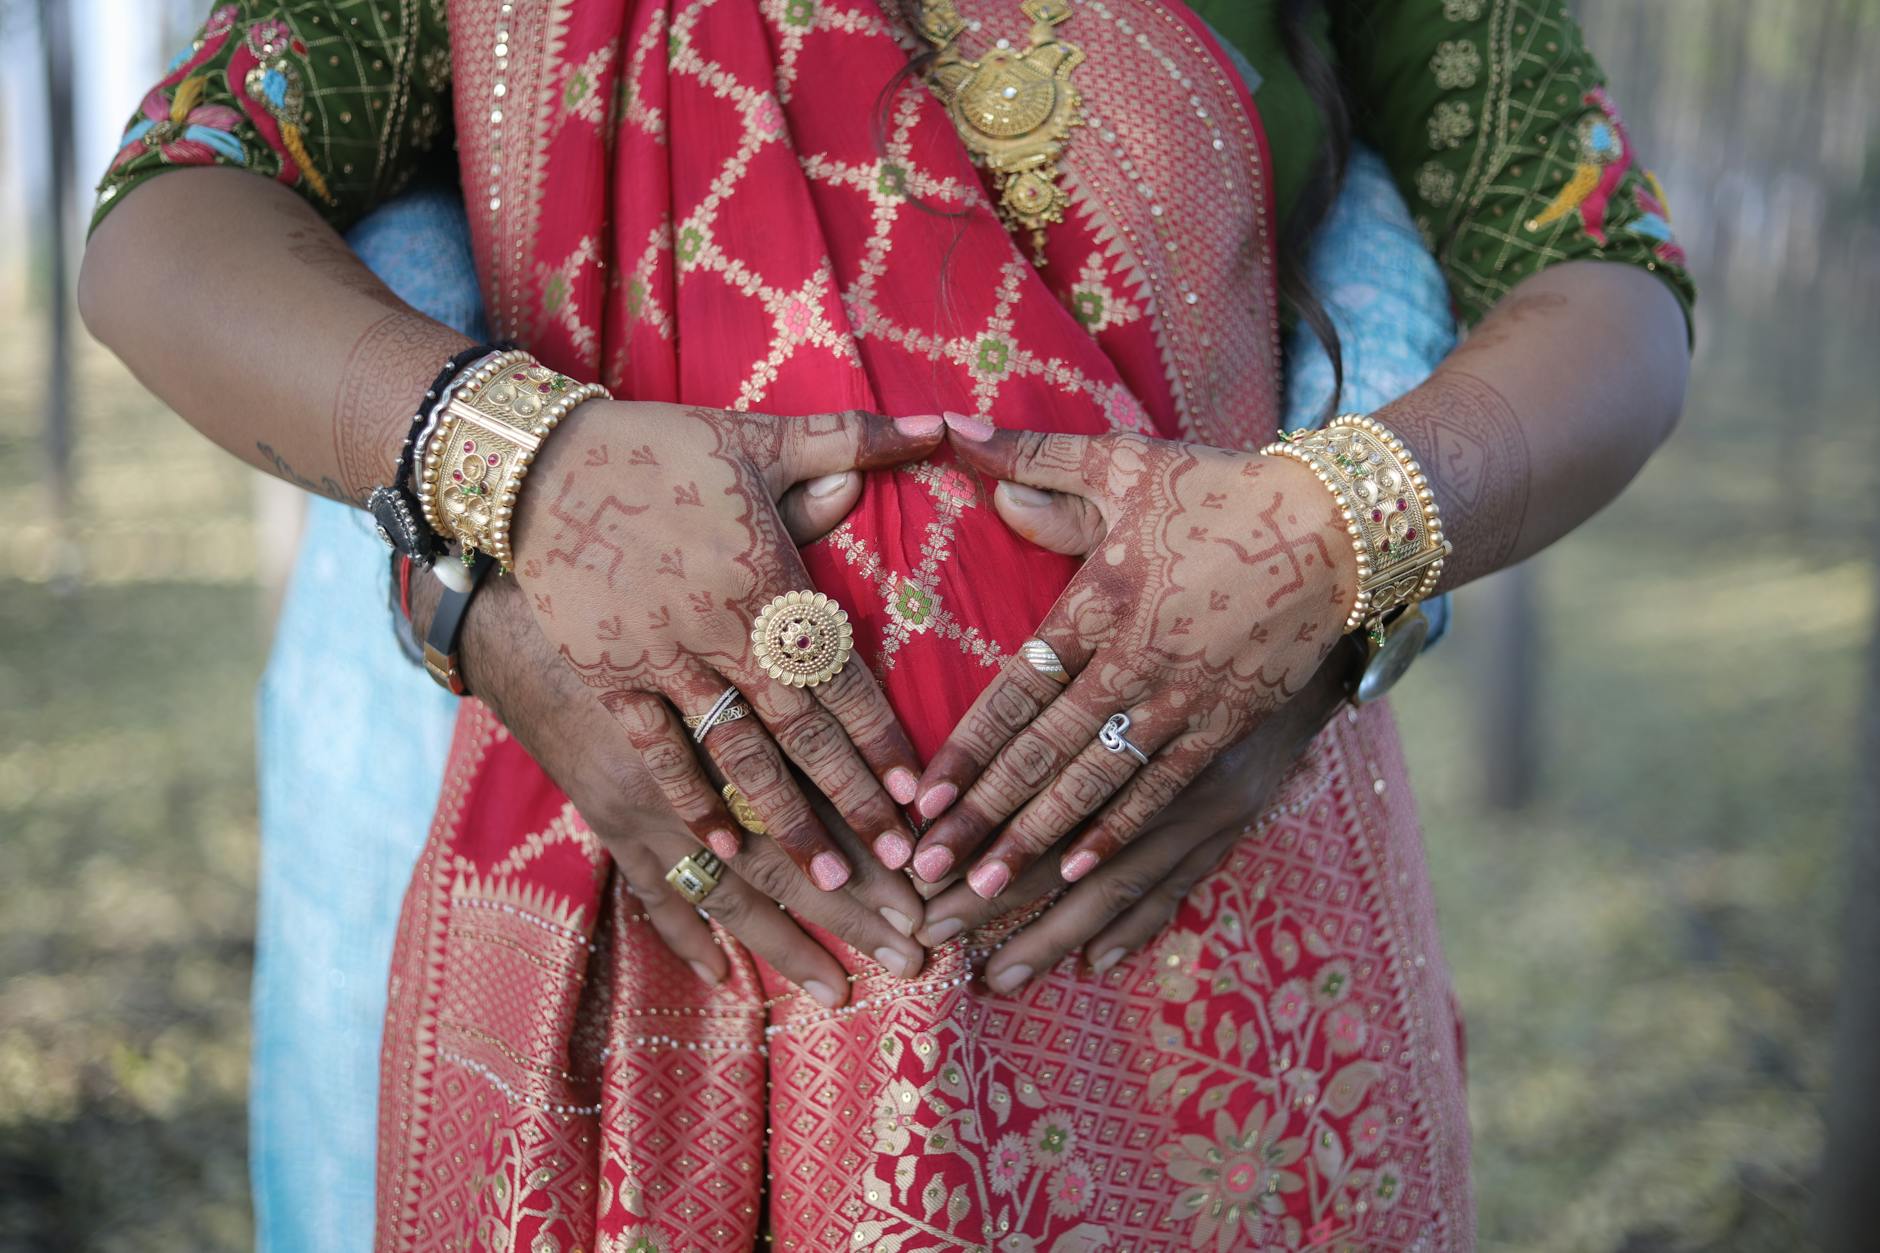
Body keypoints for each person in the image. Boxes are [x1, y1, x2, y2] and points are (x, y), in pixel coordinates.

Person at [80, 1, 1692, 1249]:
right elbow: (177, 215)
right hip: (647, 913)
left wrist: (1337, 551)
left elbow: (1602, 273)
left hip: (1197, 931)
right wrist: (519, 474)